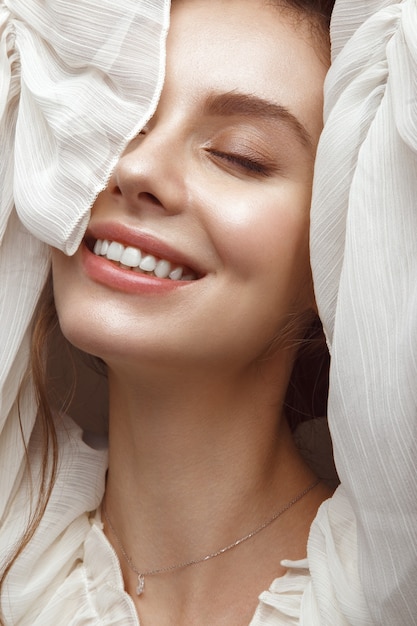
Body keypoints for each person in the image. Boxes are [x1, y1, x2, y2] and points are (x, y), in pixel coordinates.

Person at [0, 1, 416, 625]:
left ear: (338, 246)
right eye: (117, 123)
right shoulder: (19, 555)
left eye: (239, 155)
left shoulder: (384, 597)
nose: (135, 168)